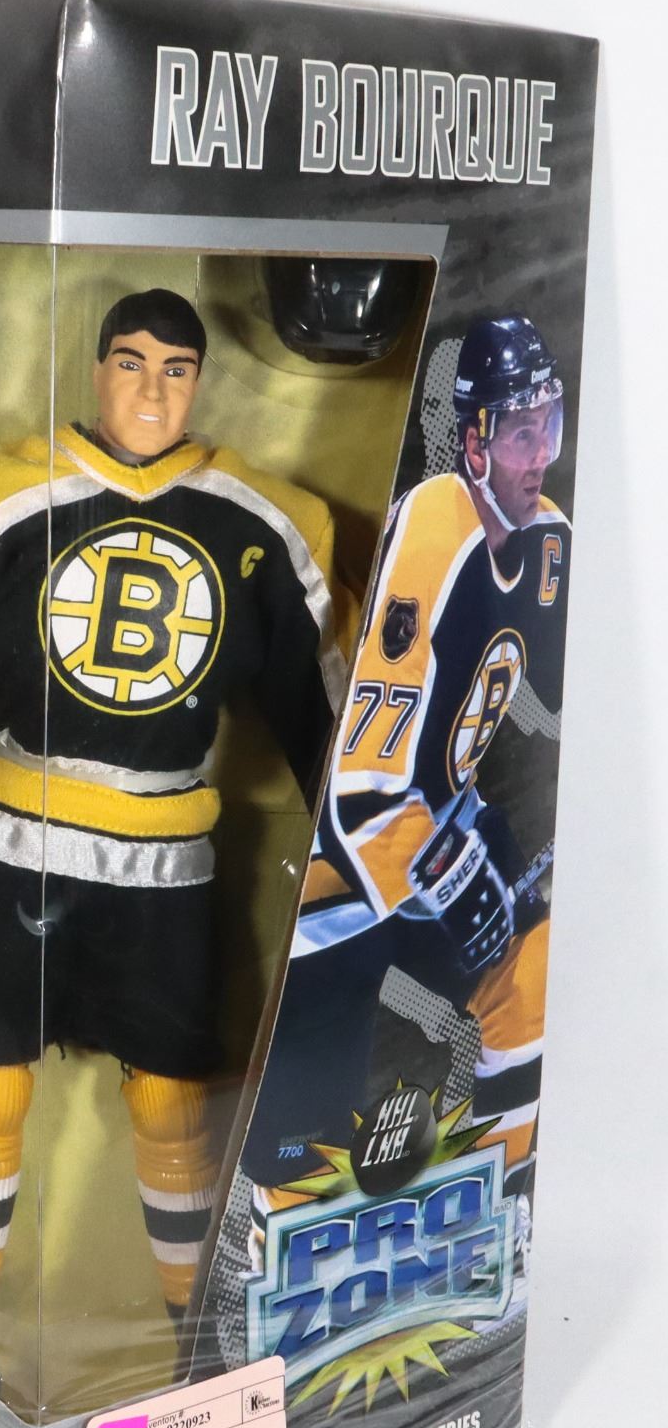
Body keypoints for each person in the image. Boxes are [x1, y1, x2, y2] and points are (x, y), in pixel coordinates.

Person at [0, 288, 350, 1387]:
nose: (151, 390)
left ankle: (197, 1328)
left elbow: (331, 693)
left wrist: (362, 824)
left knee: (172, 1102)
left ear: (199, 382)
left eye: (175, 368)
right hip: (24, 841)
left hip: (167, 855)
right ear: (96, 367)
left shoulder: (263, 522)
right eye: (130, 362)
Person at [243, 314, 569, 1277]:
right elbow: (364, 782)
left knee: (534, 968)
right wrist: (453, 877)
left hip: (441, 832)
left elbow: (573, 695)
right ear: (473, 441)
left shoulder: (548, 543)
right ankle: (276, 1264)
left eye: (548, 427)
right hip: (342, 869)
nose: (538, 454)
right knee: (301, 1136)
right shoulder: (436, 528)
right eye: (520, 432)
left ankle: (505, 1216)